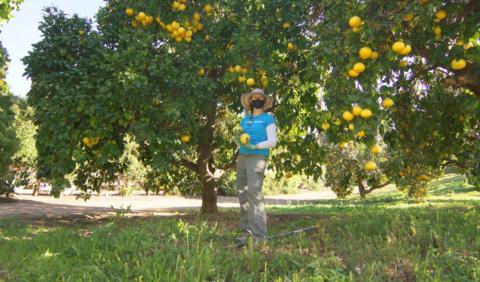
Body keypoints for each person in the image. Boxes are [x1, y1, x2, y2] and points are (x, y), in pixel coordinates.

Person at [235, 88, 277, 246]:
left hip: (258, 156)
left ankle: (260, 235)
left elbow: (273, 141)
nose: (257, 99)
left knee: (254, 192)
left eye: (260, 97)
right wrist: (240, 141)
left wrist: (256, 146)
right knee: (242, 192)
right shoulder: (245, 120)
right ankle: (247, 232)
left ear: (264, 101)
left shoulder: (268, 119)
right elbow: (241, 137)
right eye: (254, 97)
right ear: (250, 100)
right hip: (243, 156)